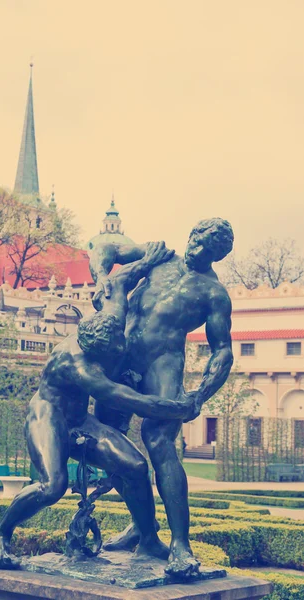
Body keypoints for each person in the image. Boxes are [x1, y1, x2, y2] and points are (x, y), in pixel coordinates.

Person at [0, 242, 196, 569]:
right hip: (48, 417)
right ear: (90, 350)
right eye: (106, 357)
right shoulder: (78, 366)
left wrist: (136, 265)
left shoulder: (111, 320)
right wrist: (178, 408)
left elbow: (115, 274)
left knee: (136, 468)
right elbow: (129, 399)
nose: (112, 359)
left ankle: (148, 539)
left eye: (116, 351)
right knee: (53, 486)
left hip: (80, 420)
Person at [89, 217, 234, 577]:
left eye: (208, 251)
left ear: (218, 256)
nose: (197, 251)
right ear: (192, 234)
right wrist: (102, 279)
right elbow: (101, 246)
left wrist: (200, 395)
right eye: (197, 242)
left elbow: (223, 351)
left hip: (162, 366)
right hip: (120, 355)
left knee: (160, 442)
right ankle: (144, 528)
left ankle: (181, 546)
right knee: (107, 443)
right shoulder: (161, 255)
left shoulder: (213, 293)